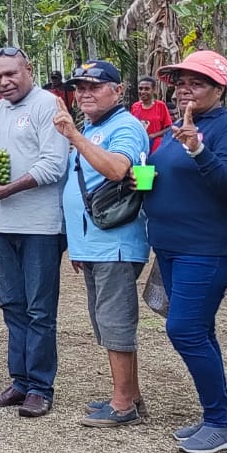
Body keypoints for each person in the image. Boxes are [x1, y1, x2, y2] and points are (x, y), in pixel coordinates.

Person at [144, 50, 227, 453]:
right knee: (199, 330)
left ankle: (219, 423)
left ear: (219, 88)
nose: (184, 90)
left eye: (197, 83)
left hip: (208, 248)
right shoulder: (177, 127)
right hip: (172, 247)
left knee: (184, 330)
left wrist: (197, 150)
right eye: (180, 82)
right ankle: (220, 413)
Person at [0, 47, 69, 418]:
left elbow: (54, 165)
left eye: (11, 74)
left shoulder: (48, 105)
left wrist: (3, 192)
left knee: (40, 310)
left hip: (41, 226)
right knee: (12, 306)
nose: (4, 82)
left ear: (29, 70)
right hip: (6, 226)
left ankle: (41, 387)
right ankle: (20, 381)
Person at [53, 60, 150, 428]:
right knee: (106, 321)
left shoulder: (123, 126)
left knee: (115, 322)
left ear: (117, 90)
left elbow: (118, 169)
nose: (85, 94)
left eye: (95, 86)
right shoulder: (96, 127)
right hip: (96, 244)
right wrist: (79, 247)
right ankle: (131, 396)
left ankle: (123, 404)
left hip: (116, 244)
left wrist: (73, 137)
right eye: (80, 88)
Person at [130, 76, 174, 154]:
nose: (143, 91)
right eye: (140, 88)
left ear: (153, 90)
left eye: (147, 89)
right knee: (141, 165)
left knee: (154, 165)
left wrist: (153, 135)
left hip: (156, 146)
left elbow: (169, 127)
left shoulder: (160, 106)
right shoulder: (135, 106)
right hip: (139, 145)